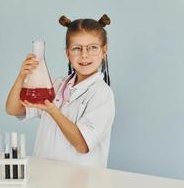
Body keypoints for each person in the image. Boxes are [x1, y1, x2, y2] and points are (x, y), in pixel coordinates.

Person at [6, 14, 115, 168]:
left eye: (92, 48)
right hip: (45, 176)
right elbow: (13, 109)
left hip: (80, 181)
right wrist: (22, 76)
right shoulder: (57, 85)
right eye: (77, 48)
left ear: (104, 51)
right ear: (67, 53)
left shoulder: (102, 94)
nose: (84, 55)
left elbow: (83, 145)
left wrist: (53, 110)